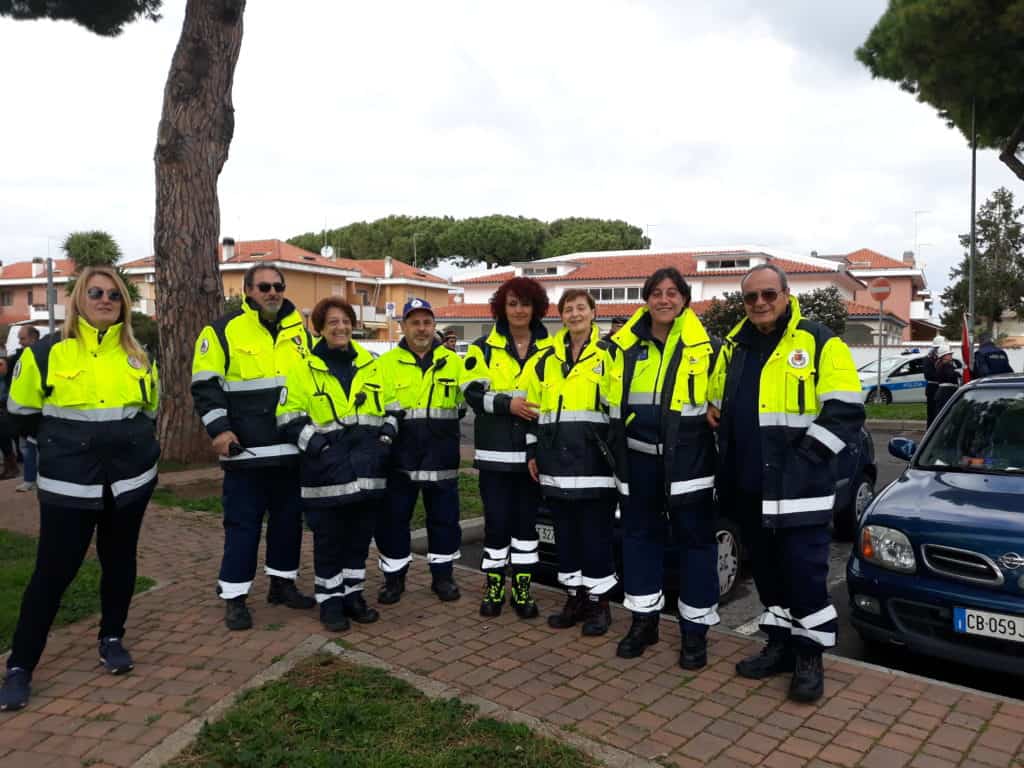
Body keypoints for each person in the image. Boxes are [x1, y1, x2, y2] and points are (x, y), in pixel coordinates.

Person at [0, 266, 160, 712]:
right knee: (52, 575)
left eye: (114, 294)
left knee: (120, 563)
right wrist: (62, 447)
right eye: (96, 292)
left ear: (123, 304)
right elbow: (21, 414)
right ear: (79, 300)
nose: (106, 300)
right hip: (69, 487)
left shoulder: (138, 355)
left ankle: (112, 637)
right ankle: (20, 666)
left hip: (128, 484)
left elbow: (149, 410)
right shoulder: (48, 354)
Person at [707, 263, 864, 703]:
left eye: (768, 294)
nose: (759, 303)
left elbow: (846, 411)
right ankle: (778, 644)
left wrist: (806, 461)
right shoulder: (735, 347)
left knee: (805, 576)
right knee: (770, 577)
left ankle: (809, 657)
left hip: (799, 490)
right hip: (749, 489)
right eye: (751, 297)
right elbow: (720, 401)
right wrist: (710, 410)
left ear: (786, 294)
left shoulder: (818, 342)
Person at [191, 264, 316, 631]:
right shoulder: (221, 331)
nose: (272, 292)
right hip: (245, 452)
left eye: (278, 286)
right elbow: (205, 386)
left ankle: (282, 585)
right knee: (243, 527)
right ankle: (235, 597)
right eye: (264, 286)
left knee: (288, 523)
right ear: (248, 290)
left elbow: (311, 384)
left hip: (291, 452)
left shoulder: (300, 332)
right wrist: (219, 431)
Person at [610, 268, 720, 669]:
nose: (664, 299)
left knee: (696, 546)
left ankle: (694, 633)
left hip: (690, 464)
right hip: (638, 463)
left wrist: (717, 409)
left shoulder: (708, 348)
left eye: (673, 293)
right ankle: (644, 623)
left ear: (685, 299)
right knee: (639, 541)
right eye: (656, 293)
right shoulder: (621, 348)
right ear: (646, 299)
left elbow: (722, 399)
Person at [277, 298, 392, 631]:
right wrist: (321, 447)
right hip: (324, 475)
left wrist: (384, 443)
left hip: (368, 473)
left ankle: (353, 596)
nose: (340, 327)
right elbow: (288, 418)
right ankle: (330, 602)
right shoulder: (303, 369)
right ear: (320, 328)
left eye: (345, 321)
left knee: (358, 541)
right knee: (329, 542)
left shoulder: (373, 365)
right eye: (332, 322)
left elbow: (393, 410)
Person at [520, 289, 619, 634]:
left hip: (594, 465)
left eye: (581, 308)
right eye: (568, 309)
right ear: (560, 316)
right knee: (566, 538)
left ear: (593, 312)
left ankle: (599, 605)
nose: (575, 314)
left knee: (596, 538)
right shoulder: (545, 360)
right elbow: (533, 411)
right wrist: (533, 451)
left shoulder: (610, 355)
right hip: (555, 465)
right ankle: (574, 598)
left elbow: (620, 412)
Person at [461, 277, 553, 617]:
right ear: (503, 306)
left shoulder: (552, 349)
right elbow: (471, 393)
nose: (519, 310)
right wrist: (507, 405)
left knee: (526, 531)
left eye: (525, 303)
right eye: (512, 303)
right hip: (495, 458)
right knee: (497, 525)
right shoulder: (482, 347)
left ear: (536, 308)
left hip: (533, 458)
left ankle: (524, 593)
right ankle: (495, 590)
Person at [375, 299, 464, 603]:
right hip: (400, 462)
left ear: (434, 326)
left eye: (427, 322)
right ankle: (394, 580)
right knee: (394, 522)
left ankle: (443, 578)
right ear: (403, 327)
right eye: (415, 322)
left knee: (444, 521)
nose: (422, 328)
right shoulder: (383, 366)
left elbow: (463, 406)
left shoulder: (454, 363)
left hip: (442, 460)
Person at [10, 326, 41, 491]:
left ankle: (36, 480)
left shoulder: (41, 356)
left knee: (34, 448)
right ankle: (30, 480)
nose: (20, 342)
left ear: (33, 338)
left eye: (23, 338)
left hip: (37, 413)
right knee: (27, 448)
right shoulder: (20, 356)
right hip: (22, 414)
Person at [0, 358, 18, 479]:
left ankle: (12, 468)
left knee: (5, 440)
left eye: (1, 364)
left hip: (7, 414)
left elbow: (11, 394)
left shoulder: (10, 379)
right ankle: (9, 467)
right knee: (3, 441)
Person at [933, 345, 959, 415]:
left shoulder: (941, 364)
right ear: (943, 356)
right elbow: (951, 375)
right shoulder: (946, 365)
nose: (951, 356)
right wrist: (958, 373)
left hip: (943, 392)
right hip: (946, 393)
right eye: (949, 354)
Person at [923, 339, 941, 426]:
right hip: (932, 388)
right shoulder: (928, 359)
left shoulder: (941, 358)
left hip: (941, 388)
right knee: (931, 414)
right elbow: (928, 375)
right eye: (937, 348)